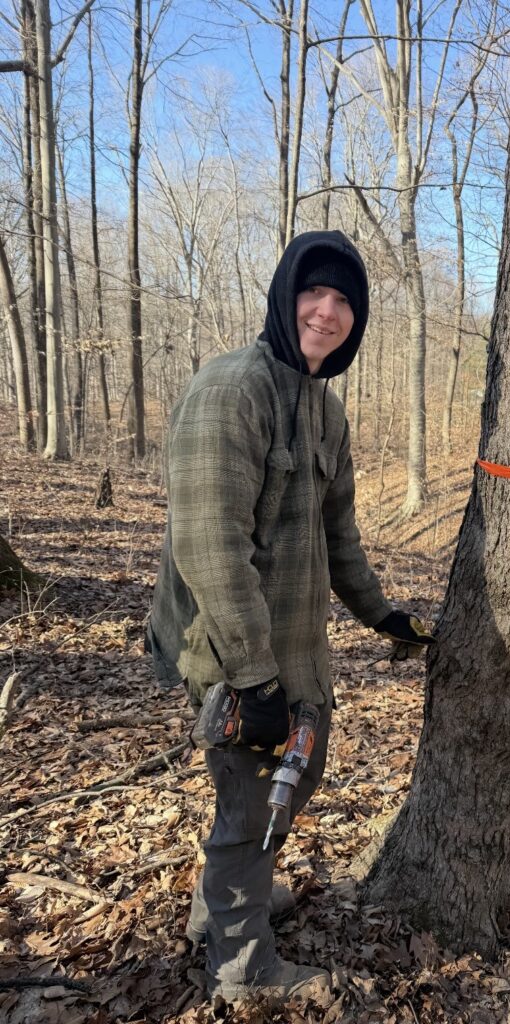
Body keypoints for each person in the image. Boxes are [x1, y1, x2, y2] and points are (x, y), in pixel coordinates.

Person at [146, 230, 434, 1009]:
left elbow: (340, 538)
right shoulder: (231, 390)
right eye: (314, 292)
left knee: (294, 776)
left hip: (296, 648)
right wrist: (253, 678)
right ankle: (240, 966)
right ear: (284, 296)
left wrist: (384, 616)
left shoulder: (324, 410)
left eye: (344, 300)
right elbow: (210, 548)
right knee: (250, 804)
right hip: (229, 649)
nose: (327, 312)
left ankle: (225, 898)